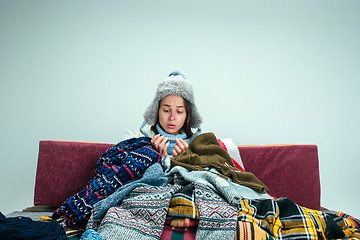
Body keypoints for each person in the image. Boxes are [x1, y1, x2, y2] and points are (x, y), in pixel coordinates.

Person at [140, 70, 202, 157]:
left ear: (188, 115)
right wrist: (155, 154)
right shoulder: (142, 142)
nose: (172, 117)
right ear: (156, 111)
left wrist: (183, 158)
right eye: (166, 110)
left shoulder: (198, 145)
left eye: (179, 111)